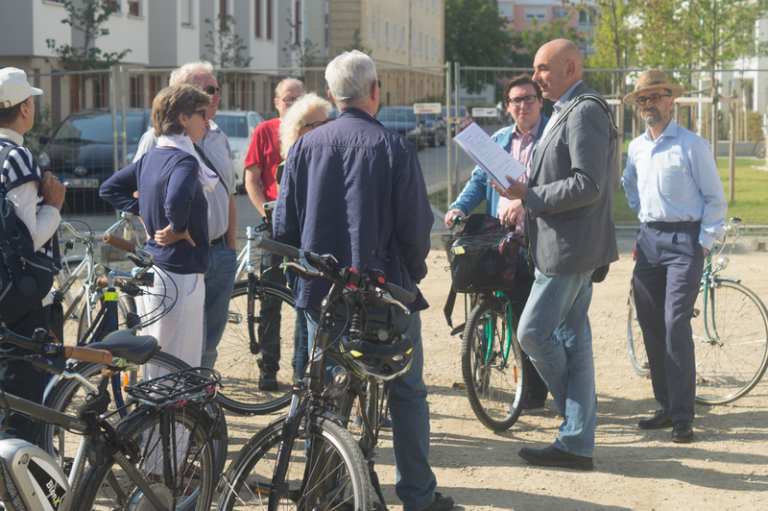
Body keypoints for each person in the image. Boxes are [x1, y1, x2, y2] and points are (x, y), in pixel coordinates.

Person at [272, 50, 453, 511]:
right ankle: (417, 494)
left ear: (332, 97)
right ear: (376, 92)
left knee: (327, 393)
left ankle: (329, 492)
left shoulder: (305, 148)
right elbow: (416, 230)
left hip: (323, 294)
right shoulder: (394, 147)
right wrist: (410, 277)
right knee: (408, 391)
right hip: (385, 291)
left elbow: (285, 229)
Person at [491, 39, 618, 471]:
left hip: (570, 249)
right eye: (534, 68)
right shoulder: (569, 107)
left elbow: (588, 183)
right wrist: (519, 186)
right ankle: (577, 442)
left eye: (543, 68)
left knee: (532, 332)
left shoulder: (584, 109)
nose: (536, 76)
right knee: (572, 340)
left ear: (570, 67)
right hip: (564, 246)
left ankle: (578, 426)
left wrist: (528, 194)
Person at [622, 70, 727, 443]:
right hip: (649, 241)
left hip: (685, 243)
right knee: (651, 325)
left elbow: (715, 197)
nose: (649, 104)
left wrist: (703, 241)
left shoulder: (691, 145)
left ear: (671, 101)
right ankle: (664, 405)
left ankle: (683, 414)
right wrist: (643, 213)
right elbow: (628, 182)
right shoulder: (636, 147)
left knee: (674, 324)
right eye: (642, 99)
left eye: (655, 97)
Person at [445, 74, 550, 414]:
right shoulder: (500, 139)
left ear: (540, 101)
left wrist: (527, 200)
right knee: (482, 293)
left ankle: (535, 389)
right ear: (507, 106)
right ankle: (481, 367)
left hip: (537, 240)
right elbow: (478, 182)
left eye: (529, 99)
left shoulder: (551, 136)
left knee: (526, 318)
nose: (523, 105)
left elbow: (556, 185)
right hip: (499, 239)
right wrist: (459, 206)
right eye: (516, 100)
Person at [100, 84, 213, 374]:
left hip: (158, 268)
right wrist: (177, 227)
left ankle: (156, 420)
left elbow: (109, 188)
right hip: (180, 272)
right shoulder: (184, 160)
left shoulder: (151, 158)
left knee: (157, 356)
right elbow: (176, 200)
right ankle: (171, 421)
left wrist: (143, 210)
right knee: (180, 365)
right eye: (202, 114)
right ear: (183, 119)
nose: (208, 120)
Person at [133, 61, 237, 371]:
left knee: (209, 342)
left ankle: (200, 407)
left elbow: (230, 193)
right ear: (183, 98)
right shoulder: (155, 140)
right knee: (178, 340)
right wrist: (160, 235)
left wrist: (230, 245)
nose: (216, 95)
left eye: (217, 89)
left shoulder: (218, 136)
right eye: (208, 90)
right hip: (181, 255)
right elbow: (138, 196)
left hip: (219, 252)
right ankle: (177, 407)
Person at [0, 67, 66, 445]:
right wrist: (54, 206)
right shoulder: (17, 159)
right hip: (21, 306)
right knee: (24, 418)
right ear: (24, 109)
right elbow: (29, 240)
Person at [243, 77, 305, 389]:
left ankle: (300, 370)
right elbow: (251, 179)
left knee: (305, 299)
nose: (292, 104)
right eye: (287, 98)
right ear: (276, 102)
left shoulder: (313, 130)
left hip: (308, 227)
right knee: (270, 298)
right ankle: (268, 368)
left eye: (299, 98)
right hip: (273, 228)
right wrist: (266, 212)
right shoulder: (264, 131)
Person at [275, 92, 332, 376]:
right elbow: (285, 224)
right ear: (298, 131)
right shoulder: (291, 165)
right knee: (307, 335)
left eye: (327, 122)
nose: (325, 130)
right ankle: (302, 394)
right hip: (306, 263)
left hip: (327, 264)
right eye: (316, 125)